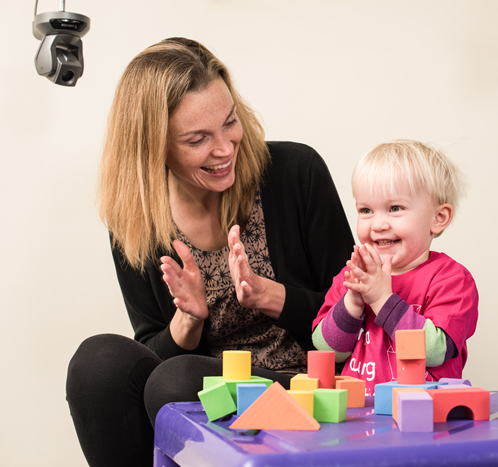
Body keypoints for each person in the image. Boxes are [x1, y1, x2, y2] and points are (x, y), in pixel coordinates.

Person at [66, 37, 354, 466]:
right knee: (99, 361)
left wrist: (271, 296)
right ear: (153, 148)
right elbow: (149, 356)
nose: (224, 148)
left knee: (176, 382)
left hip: (302, 388)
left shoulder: (296, 174)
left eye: (230, 122)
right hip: (189, 385)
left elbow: (358, 321)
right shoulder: (137, 220)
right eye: (198, 139)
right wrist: (188, 322)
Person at [312, 139, 478, 396]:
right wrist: (352, 303)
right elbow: (327, 351)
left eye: (395, 208)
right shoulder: (350, 277)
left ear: (438, 218)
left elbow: (436, 351)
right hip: (358, 417)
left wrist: (380, 299)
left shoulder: (451, 280)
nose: (377, 224)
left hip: (422, 415)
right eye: (366, 210)